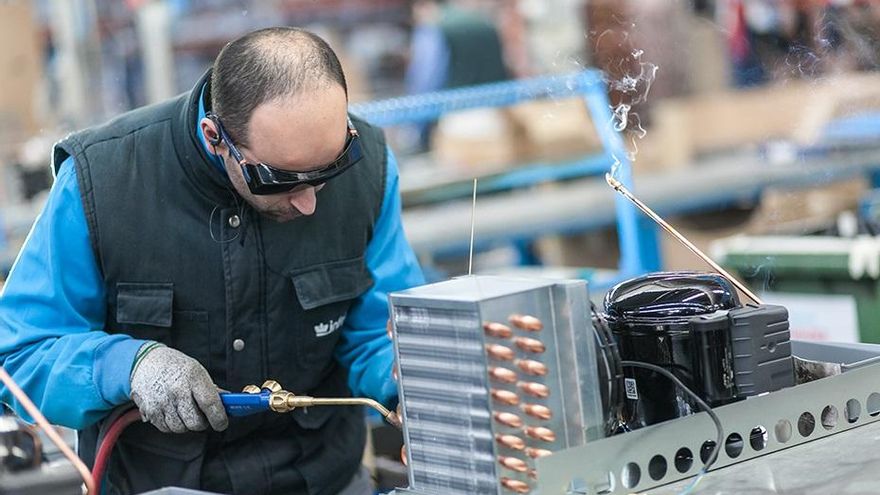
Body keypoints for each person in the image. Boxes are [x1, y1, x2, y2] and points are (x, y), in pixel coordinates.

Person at [0, 27, 424, 495]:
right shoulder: (103, 181)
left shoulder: (372, 172)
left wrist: (414, 381)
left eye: (328, 172)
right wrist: (128, 366)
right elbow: (19, 355)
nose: (309, 205)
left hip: (324, 480)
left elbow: (378, 335)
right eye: (280, 180)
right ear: (215, 136)